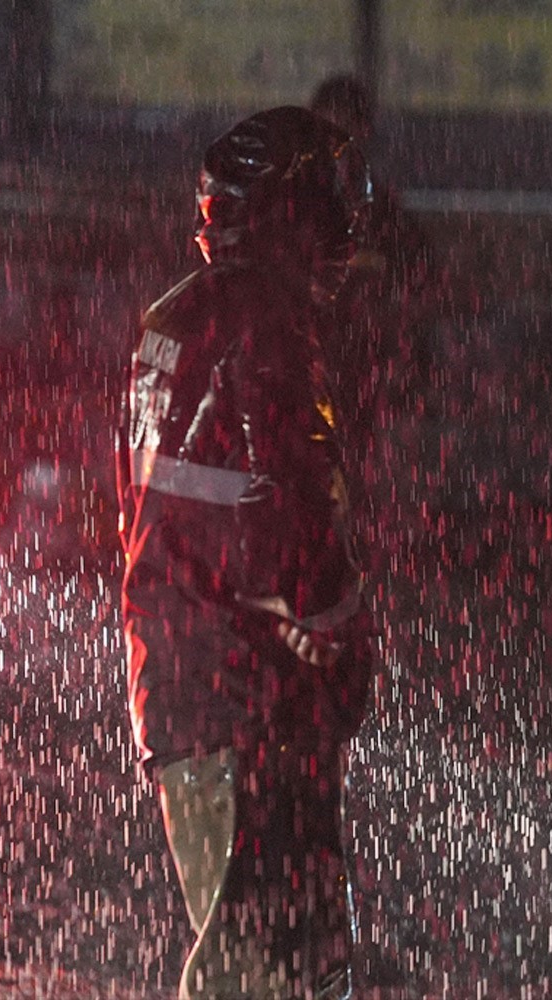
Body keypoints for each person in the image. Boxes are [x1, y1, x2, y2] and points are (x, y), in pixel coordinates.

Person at [118, 105, 376, 1000]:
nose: (346, 228)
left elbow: (171, 522)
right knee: (263, 968)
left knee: (259, 952)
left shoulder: (171, 317)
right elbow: (294, 506)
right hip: (253, 699)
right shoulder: (268, 324)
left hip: (183, 682)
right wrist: (338, 633)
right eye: (329, 204)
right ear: (289, 214)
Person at [307, 73, 434, 459]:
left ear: (362, 131)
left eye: (346, 125)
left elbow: (417, 276)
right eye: (328, 124)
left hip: (356, 359)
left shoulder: (380, 210)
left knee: (345, 458)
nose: (337, 139)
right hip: (306, 351)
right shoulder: (296, 199)